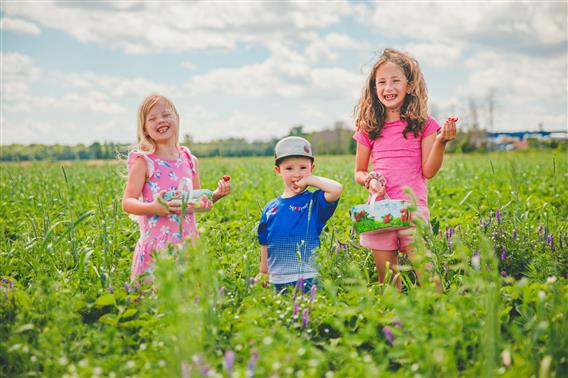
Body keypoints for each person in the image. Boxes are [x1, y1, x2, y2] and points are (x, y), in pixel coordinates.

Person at [353, 48, 457, 290]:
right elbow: (358, 171)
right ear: (374, 88)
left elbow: (428, 171)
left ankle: (439, 323)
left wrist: (441, 142)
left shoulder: (425, 125)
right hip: (380, 211)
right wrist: (368, 180)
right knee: (388, 283)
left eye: (395, 80)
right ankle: (394, 326)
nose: (388, 87)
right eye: (381, 82)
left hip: (413, 211)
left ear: (410, 86)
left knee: (430, 279)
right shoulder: (369, 128)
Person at [123, 94, 231, 283]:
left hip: (187, 247)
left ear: (177, 119)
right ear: (145, 129)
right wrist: (152, 208)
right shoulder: (144, 161)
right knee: (154, 306)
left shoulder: (190, 160)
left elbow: (195, 202)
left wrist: (215, 195)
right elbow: (127, 202)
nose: (161, 121)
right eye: (152, 118)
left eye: (165, 115)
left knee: (186, 304)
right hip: (157, 249)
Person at [256, 136, 343, 293]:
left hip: (308, 278)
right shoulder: (270, 208)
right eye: (289, 169)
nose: (297, 174)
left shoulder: (313, 201)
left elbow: (336, 189)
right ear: (278, 171)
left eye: (303, 168)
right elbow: (265, 244)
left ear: (312, 168)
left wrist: (309, 180)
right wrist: (263, 272)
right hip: (276, 280)